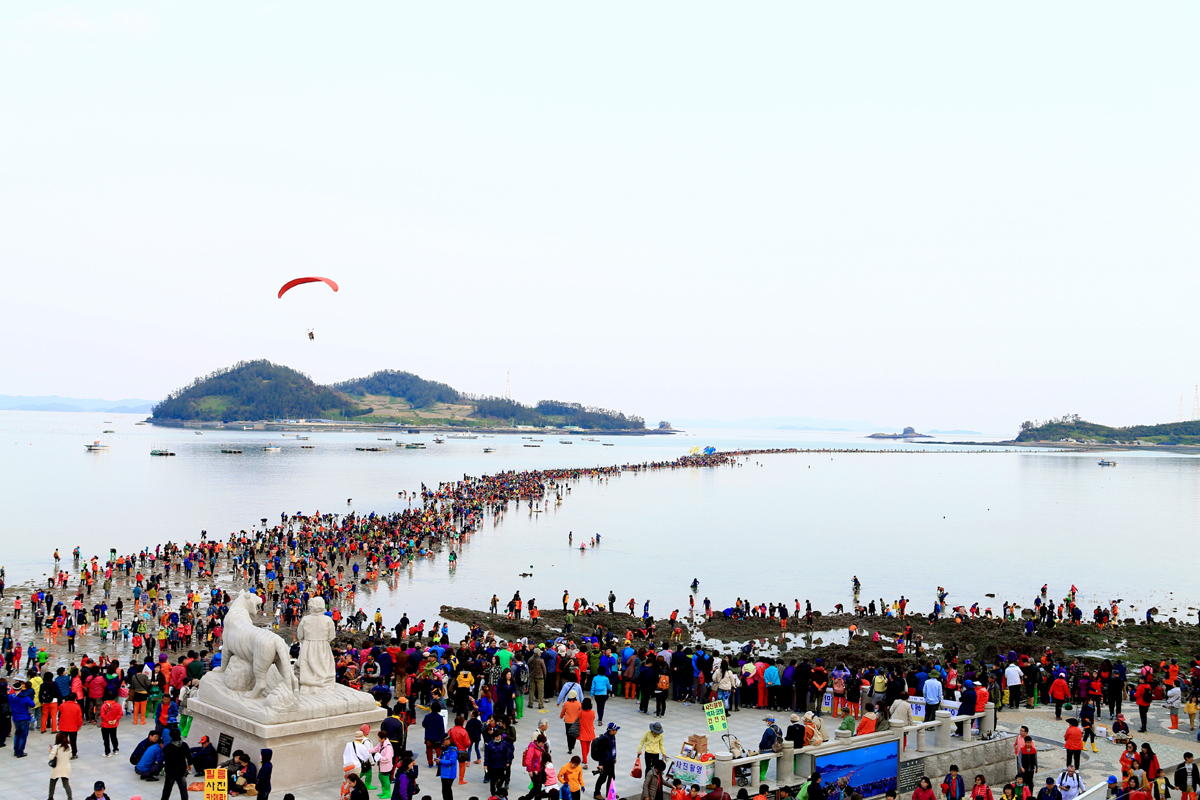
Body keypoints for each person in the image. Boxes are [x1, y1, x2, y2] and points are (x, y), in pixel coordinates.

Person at [161, 726, 192, 800]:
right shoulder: (184, 745)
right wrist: (190, 764)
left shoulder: (168, 746)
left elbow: (164, 755)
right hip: (181, 770)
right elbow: (189, 756)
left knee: (167, 789)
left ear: (170, 736)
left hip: (170, 770)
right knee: (183, 788)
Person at [9, 678, 35, 757]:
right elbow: (33, 705)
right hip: (24, 717)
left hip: (16, 717)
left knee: (17, 734)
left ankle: (16, 750)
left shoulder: (10, 697)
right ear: (21, 688)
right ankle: (20, 751)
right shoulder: (25, 697)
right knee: (23, 735)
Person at [592, 723, 619, 800]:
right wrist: (600, 764)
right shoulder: (604, 739)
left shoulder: (612, 736)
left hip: (611, 761)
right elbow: (601, 752)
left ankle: (610, 792)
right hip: (605, 762)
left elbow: (613, 748)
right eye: (616, 729)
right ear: (612, 730)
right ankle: (596, 793)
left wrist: (614, 757)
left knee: (612, 777)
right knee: (602, 778)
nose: (617, 731)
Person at [48, 731, 72, 800]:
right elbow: (70, 756)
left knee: (52, 783)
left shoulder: (56, 747)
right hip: (66, 767)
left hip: (57, 768)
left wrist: (50, 751)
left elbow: (51, 757)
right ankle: (70, 798)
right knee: (66, 784)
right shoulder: (68, 746)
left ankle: (50, 797)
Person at [99, 692, 122, 758]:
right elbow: (120, 714)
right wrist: (115, 719)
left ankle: (107, 752)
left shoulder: (104, 706)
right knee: (114, 737)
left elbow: (102, 715)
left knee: (106, 739)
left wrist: (108, 720)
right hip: (114, 725)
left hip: (105, 725)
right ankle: (115, 749)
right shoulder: (117, 705)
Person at [439, 736, 460, 800]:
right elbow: (443, 757)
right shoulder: (445, 748)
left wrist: (440, 761)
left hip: (449, 773)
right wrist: (439, 759)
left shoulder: (452, 749)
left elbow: (452, 761)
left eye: (443, 742)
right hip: (444, 773)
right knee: (445, 791)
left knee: (447, 791)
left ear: (447, 740)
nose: (442, 743)